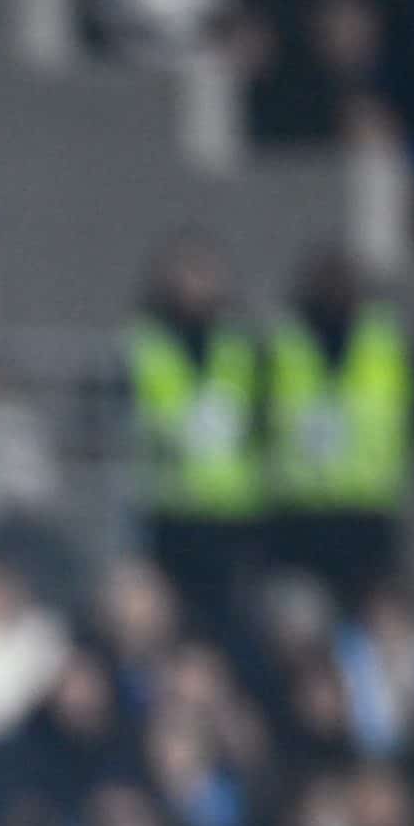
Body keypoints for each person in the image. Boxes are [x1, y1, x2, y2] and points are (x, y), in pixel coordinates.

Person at [262, 245, 414, 624]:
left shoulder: (389, 341)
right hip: (298, 517)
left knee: (369, 623)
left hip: (369, 514)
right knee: (299, 625)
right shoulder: (284, 343)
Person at [123, 234, 266, 659]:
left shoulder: (242, 347)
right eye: (187, 273)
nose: (195, 286)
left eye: (203, 273)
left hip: (231, 512)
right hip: (167, 507)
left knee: (227, 623)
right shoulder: (145, 344)